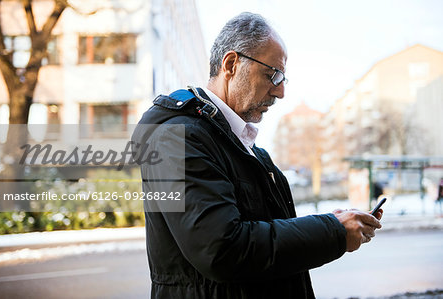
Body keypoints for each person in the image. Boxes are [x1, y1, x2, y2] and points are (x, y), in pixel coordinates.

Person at [134, 12, 382, 298]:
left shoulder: (247, 149)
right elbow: (221, 250)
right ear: (231, 64)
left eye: (283, 77)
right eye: (272, 74)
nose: (281, 92)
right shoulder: (178, 138)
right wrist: (333, 232)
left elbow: (267, 232)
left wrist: (332, 223)